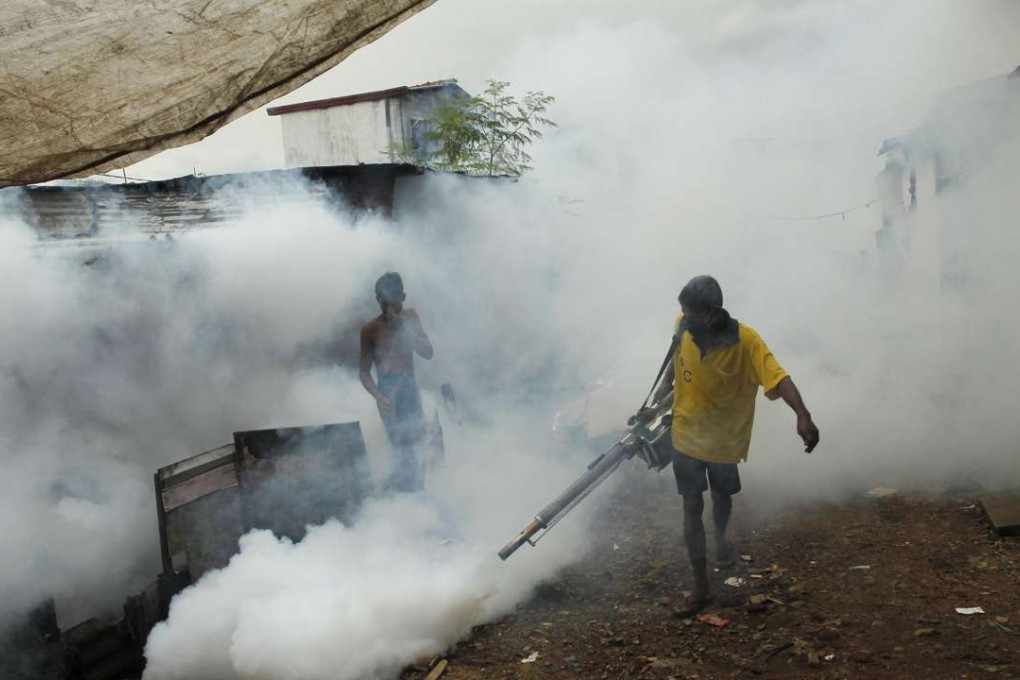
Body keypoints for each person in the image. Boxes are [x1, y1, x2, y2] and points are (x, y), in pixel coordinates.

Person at [650, 275, 819, 615]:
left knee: (722, 496)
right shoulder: (684, 323)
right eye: (682, 312)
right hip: (685, 434)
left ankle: (721, 539)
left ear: (713, 314)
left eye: (691, 314)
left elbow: (779, 378)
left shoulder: (746, 342)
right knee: (691, 506)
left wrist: (802, 414)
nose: (685, 319)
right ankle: (701, 587)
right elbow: (676, 358)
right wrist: (660, 395)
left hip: (725, 441)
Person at [359, 272, 434, 492]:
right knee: (400, 444)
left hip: (409, 386)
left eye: (394, 302)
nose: (389, 308)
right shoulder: (370, 329)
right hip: (388, 390)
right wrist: (379, 396)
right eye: (384, 302)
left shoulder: (410, 318)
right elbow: (363, 373)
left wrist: (404, 327)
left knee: (417, 440)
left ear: (403, 297)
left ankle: (418, 491)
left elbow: (427, 352)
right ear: (378, 300)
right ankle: (405, 492)